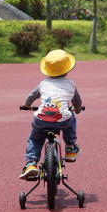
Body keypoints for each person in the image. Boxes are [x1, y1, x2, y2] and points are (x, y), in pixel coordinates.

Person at [20, 49, 83, 179]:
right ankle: (70, 148)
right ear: (67, 70)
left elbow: (31, 96)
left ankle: (31, 163)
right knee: (71, 118)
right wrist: (76, 110)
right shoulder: (70, 84)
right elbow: (77, 101)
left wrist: (27, 105)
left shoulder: (44, 83)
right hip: (62, 119)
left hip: (41, 119)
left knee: (35, 139)